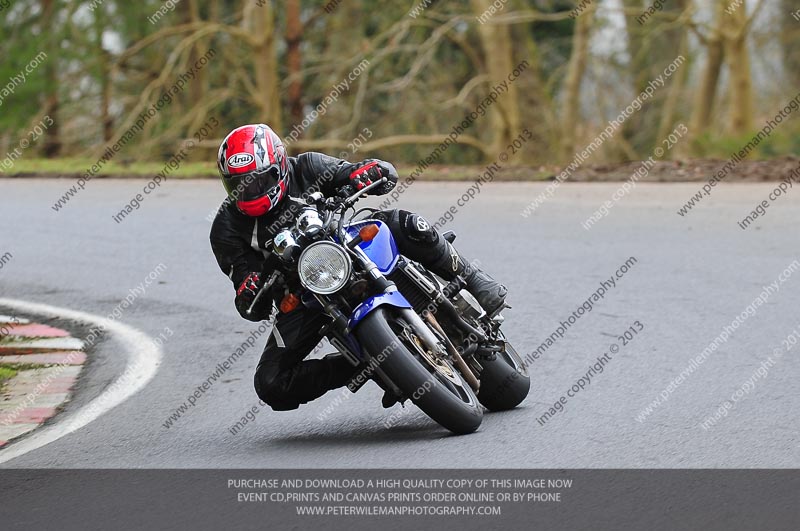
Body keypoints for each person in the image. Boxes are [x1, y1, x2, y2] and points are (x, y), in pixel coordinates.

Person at [210, 124, 506, 411]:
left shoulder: (308, 166)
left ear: (280, 165)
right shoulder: (225, 228)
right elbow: (247, 296)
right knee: (271, 382)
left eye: (259, 181)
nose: (250, 192)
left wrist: (367, 172)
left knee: (404, 223)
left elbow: (356, 172)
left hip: (345, 244)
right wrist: (249, 289)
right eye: (239, 186)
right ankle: (364, 363)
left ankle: (473, 278)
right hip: (303, 295)